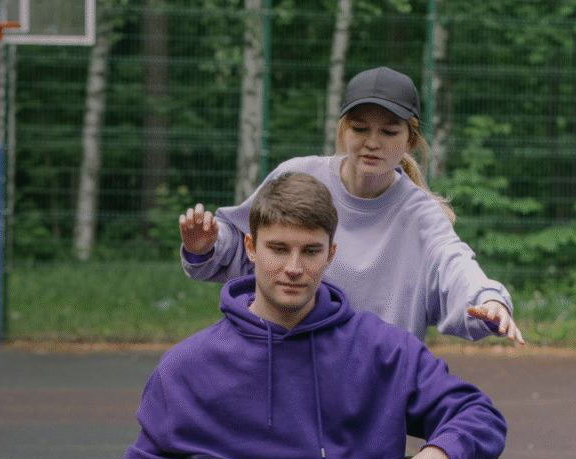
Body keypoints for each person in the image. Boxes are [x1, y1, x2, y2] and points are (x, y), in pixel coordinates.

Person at [77, 172, 507, 459]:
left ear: (331, 254)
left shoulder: (382, 347)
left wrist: (442, 452)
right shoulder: (190, 368)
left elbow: (479, 415)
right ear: (250, 248)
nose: (294, 268)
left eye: (310, 251)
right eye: (278, 249)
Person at [179, 66, 525, 345]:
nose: (372, 143)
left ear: (410, 140)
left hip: (374, 385)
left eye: (389, 132)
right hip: (291, 360)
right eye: (360, 128)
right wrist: (209, 245)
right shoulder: (299, 175)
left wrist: (489, 298)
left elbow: (455, 264)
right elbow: (249, 246)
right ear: (343, 130)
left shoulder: (420, 215)